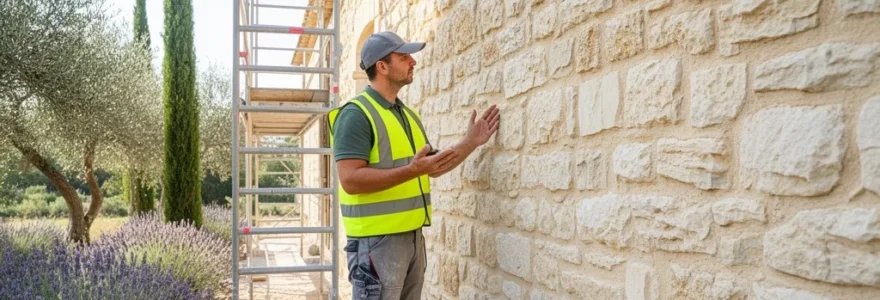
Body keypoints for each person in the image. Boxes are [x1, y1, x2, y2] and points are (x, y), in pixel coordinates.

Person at [327, 31, 500, 300]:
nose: (413, 62)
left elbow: (431, 167)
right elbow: (350, 180)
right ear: (382, 67)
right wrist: (412, 170)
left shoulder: (407, 114)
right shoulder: (355, 115)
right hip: (376, 243)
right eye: (404, 56)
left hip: (411, 239)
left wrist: (471, 142)